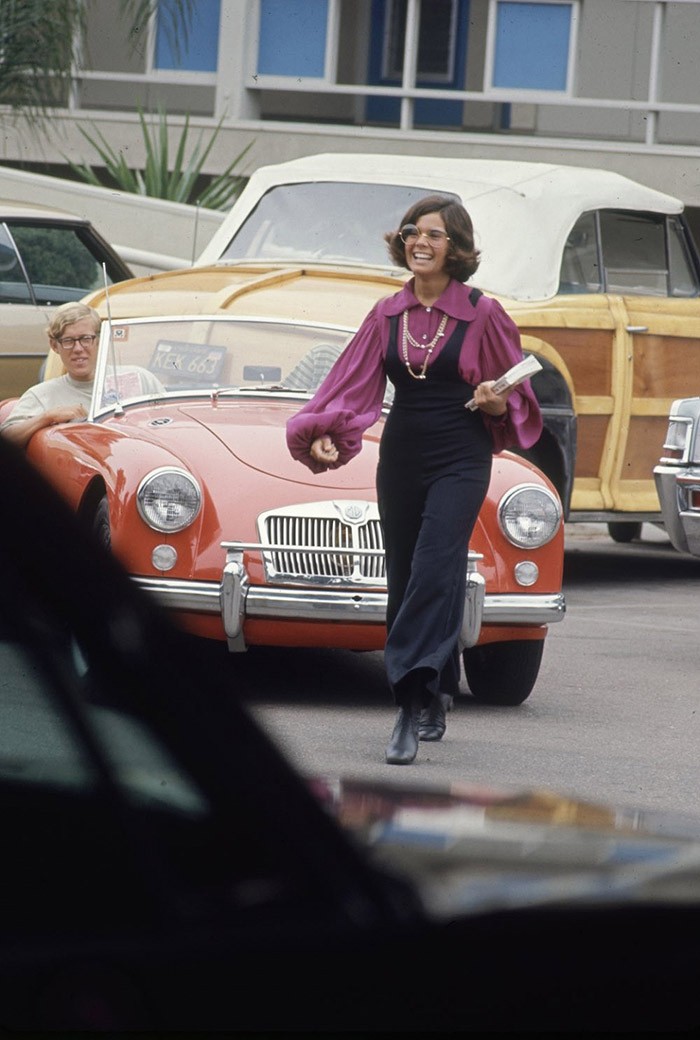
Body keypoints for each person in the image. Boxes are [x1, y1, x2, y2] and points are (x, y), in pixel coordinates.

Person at [286, 194, 542, 765]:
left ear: (457, 247)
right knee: (408, 576)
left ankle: (406, 702)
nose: (419, 242)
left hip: (462, 454)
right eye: (411, 233)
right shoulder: (387, 312)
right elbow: (349, 383)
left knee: (434, 566)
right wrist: (327, 432)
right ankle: (437, 687)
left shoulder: (483, 312)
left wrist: (496, 402)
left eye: (433, 234)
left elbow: (518, 393)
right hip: (402, 452)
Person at [1, 300, 163, 448]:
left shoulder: (140, 378)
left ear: (99, 340)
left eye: (85, 339)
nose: (78, 349)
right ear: (54, 346)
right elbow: (6, 440)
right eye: (68, 341)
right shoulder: (41, 395)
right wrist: (48, 417)